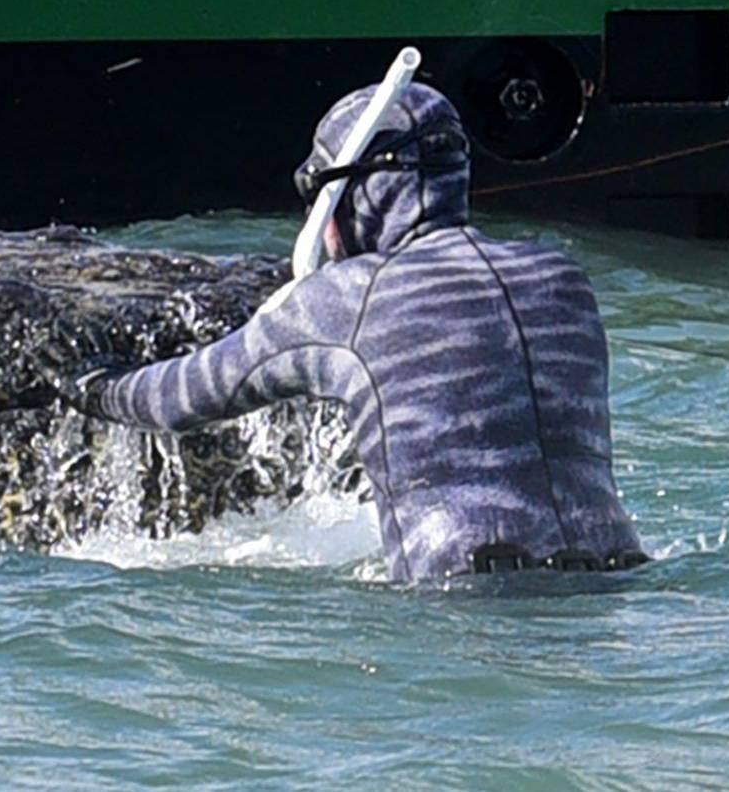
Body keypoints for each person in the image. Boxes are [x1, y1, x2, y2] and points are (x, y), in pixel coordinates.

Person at [54, 82, 647, 581]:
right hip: (615, 577)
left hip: (464, 597)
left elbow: (178, 400)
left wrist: (90, 383)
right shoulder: (563, 279)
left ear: (349, 196)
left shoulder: (349, 298)